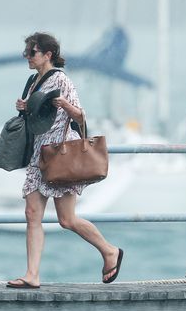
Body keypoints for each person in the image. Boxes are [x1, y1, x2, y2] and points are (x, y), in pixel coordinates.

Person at [7, 32, 123, 288]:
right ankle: (32, 275)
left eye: (32, 52)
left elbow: (81, 118)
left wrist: (64, 105)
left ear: (47, 55)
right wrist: (23, 108)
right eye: (26, 52)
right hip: (40, 154)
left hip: (60, 154)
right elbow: (37, 118)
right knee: (32, 213)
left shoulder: (61, 80)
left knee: (67, 219)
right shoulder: (32, 80)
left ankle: (109, 251)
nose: (27, 56)